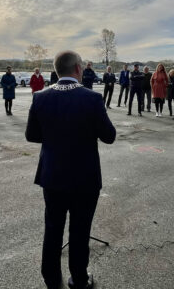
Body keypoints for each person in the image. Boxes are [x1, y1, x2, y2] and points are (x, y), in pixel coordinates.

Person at [26, 50, 116, 289]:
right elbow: (109, 136)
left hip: (53, 175)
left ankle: (52, 280)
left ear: (57, 70)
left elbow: (32, 135)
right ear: (78, 69)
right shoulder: (91, 99)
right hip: (84, 177)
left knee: (53, 229)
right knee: (80, 229)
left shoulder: (40, 97)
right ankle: (79, 278)